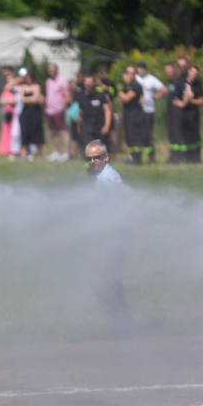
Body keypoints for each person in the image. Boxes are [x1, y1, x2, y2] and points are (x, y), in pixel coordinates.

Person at [85, 139, 133, 338]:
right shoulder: (104, 175)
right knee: (110, 283)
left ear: (106, 157)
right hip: (110, 237)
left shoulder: (106, 180)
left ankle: (123, 326)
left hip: (112, 238)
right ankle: (124, 326)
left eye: (97, 158)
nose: (93, 162)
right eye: (89, 159)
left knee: (102, 283)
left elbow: (117, 210)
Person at [135, 61, 167, 163]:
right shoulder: (134, 79)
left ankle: (151, 157)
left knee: (147, 135)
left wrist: (156, 97)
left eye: (143, 67)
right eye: (139, 67)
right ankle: (135, 157)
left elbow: (164, 89)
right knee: (136, 134)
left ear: (145, 68)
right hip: (136, 110)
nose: (141, 69)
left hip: (148, 111)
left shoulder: (151, 79)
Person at [173, 64, 203, 163]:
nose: (194, 75)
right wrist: (183, 103)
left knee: (194, 137)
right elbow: (176, 99)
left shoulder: (198, 83)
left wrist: (190, 101)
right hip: (182, 115)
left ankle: (196, 158)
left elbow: (202, 100)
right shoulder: (181, 82)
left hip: (193, 114)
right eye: (192, 72)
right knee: (184, 136)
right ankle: (184, 158)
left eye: (196, 74)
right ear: (189, 72)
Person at [118, 65, 146, 164]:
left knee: (135, 138)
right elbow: (121, 102)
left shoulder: (136, 86)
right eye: (128, 73)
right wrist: (122, 95)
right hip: (127, 114)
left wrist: (120, 93)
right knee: (129, 137)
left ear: (135, 75)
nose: (130, 75)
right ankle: (132, 158)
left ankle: (137, 160)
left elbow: (126, 99)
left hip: (135, 116)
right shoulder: (126, 86)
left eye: (132, 73)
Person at [77, 73, 112, 152]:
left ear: (94, 83)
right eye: (86, 82)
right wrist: (78, 128)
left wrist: (106, 126)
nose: (88, 84)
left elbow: (108, 110)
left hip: (99, 124)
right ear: (84, 83)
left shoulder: (101, 95)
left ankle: (103, 164)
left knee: (101, 148)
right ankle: (88, 164)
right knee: (88, 147)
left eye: (90, 82)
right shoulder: (81, 97)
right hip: (86, 124)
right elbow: (80, 114)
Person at [45, 63, 71, 162]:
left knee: (63, 131)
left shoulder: (62, 81)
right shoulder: (48, 81)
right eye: (50, 70)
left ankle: (66, 153)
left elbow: (67, 96)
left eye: (53, 69)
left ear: (57, 70)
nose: (51, 71)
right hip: (49, 110)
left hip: (58, 110)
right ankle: (56, 152)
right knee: (54, 132)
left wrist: (62, 108)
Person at [19, 69, 45, 160]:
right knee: (25, 132)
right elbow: (21, 99)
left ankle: (39, 153)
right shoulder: (23, 87)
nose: (28, 79)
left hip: (35, 112)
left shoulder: (36, 86)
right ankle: (24, 153)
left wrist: (29, 99)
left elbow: (36, 99)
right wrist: (32, 99)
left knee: (36, 132)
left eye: (30, 77)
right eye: (27, 77)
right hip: (26, 112)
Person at [164, 62, 183, 163]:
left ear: (175, 69)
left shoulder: (179, 81)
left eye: (170, 69)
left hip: (177, 113)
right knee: (171, 135)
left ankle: (180, 158)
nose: (168, 72)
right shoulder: (169, 82)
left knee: (177, 135)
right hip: (170, 112)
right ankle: (173, 157)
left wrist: (182, 103)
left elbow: (186, 94)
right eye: (166, 70)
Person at [0, 74, 17, 158]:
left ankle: (14, 150)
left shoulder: (16, 89)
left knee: (14, 133)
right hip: (6, 114)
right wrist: (8, 100)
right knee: (6, 131)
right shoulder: (5, 90)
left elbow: (14, 100)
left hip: (14, 114)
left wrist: (7, 100)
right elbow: (1, 101)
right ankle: (6, 149)